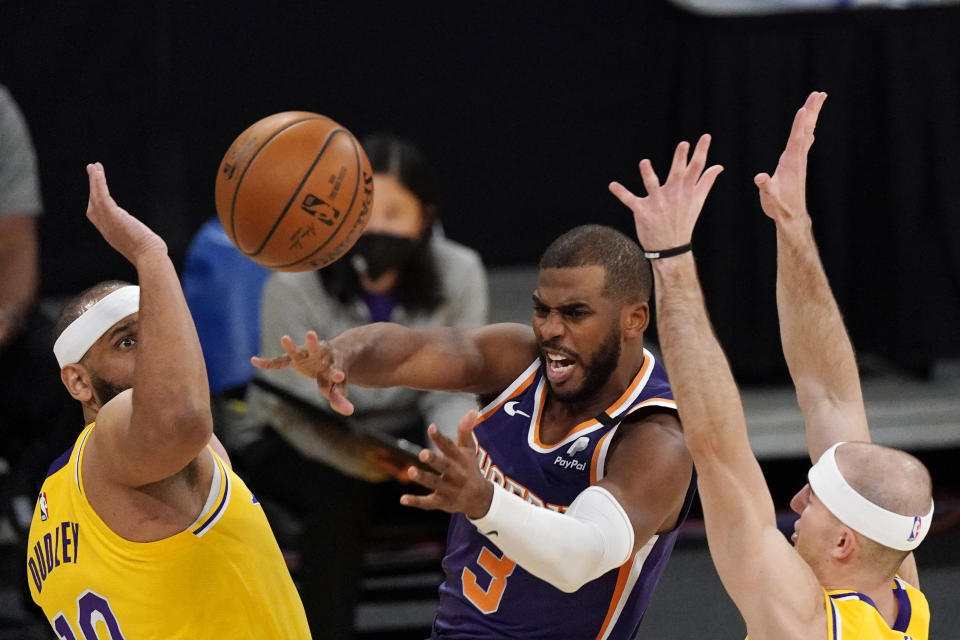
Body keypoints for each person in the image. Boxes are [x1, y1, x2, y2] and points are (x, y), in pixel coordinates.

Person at [254, 227, 697, 638]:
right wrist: (342, 354)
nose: (550, 330)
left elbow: (582, 556)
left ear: (634, 320)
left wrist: (485, 501)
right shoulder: (520, 360)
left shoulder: (655, 437)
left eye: (575, 314)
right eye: (542, 309)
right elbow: (410, 352)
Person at [608, 91, 931, 638]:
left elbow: (717, 450)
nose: (796, 500)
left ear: (843, 543)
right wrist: (793, 222)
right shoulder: (900, 591)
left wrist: (670, 258)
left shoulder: (802, 621)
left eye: (814, 500)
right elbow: (831, 394)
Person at [26, 163, 310, 639]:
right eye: (127, 342)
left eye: (157, 335)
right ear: (77, 382)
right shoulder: (117, 433)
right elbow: (181, 416)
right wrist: (149, 253)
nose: (157, 354)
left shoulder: (49, 509)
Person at [240, 135, 489, 638]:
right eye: (360, 212)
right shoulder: (291, 281)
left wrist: (447, 453)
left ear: (425, 217)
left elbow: (455, 384)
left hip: (409, 437)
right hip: (301, 437)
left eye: (394, 212)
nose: (376, 227)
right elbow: (291, 401)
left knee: (476, 484)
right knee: (339, 497)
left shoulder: (461, 272)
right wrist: (369, 461)